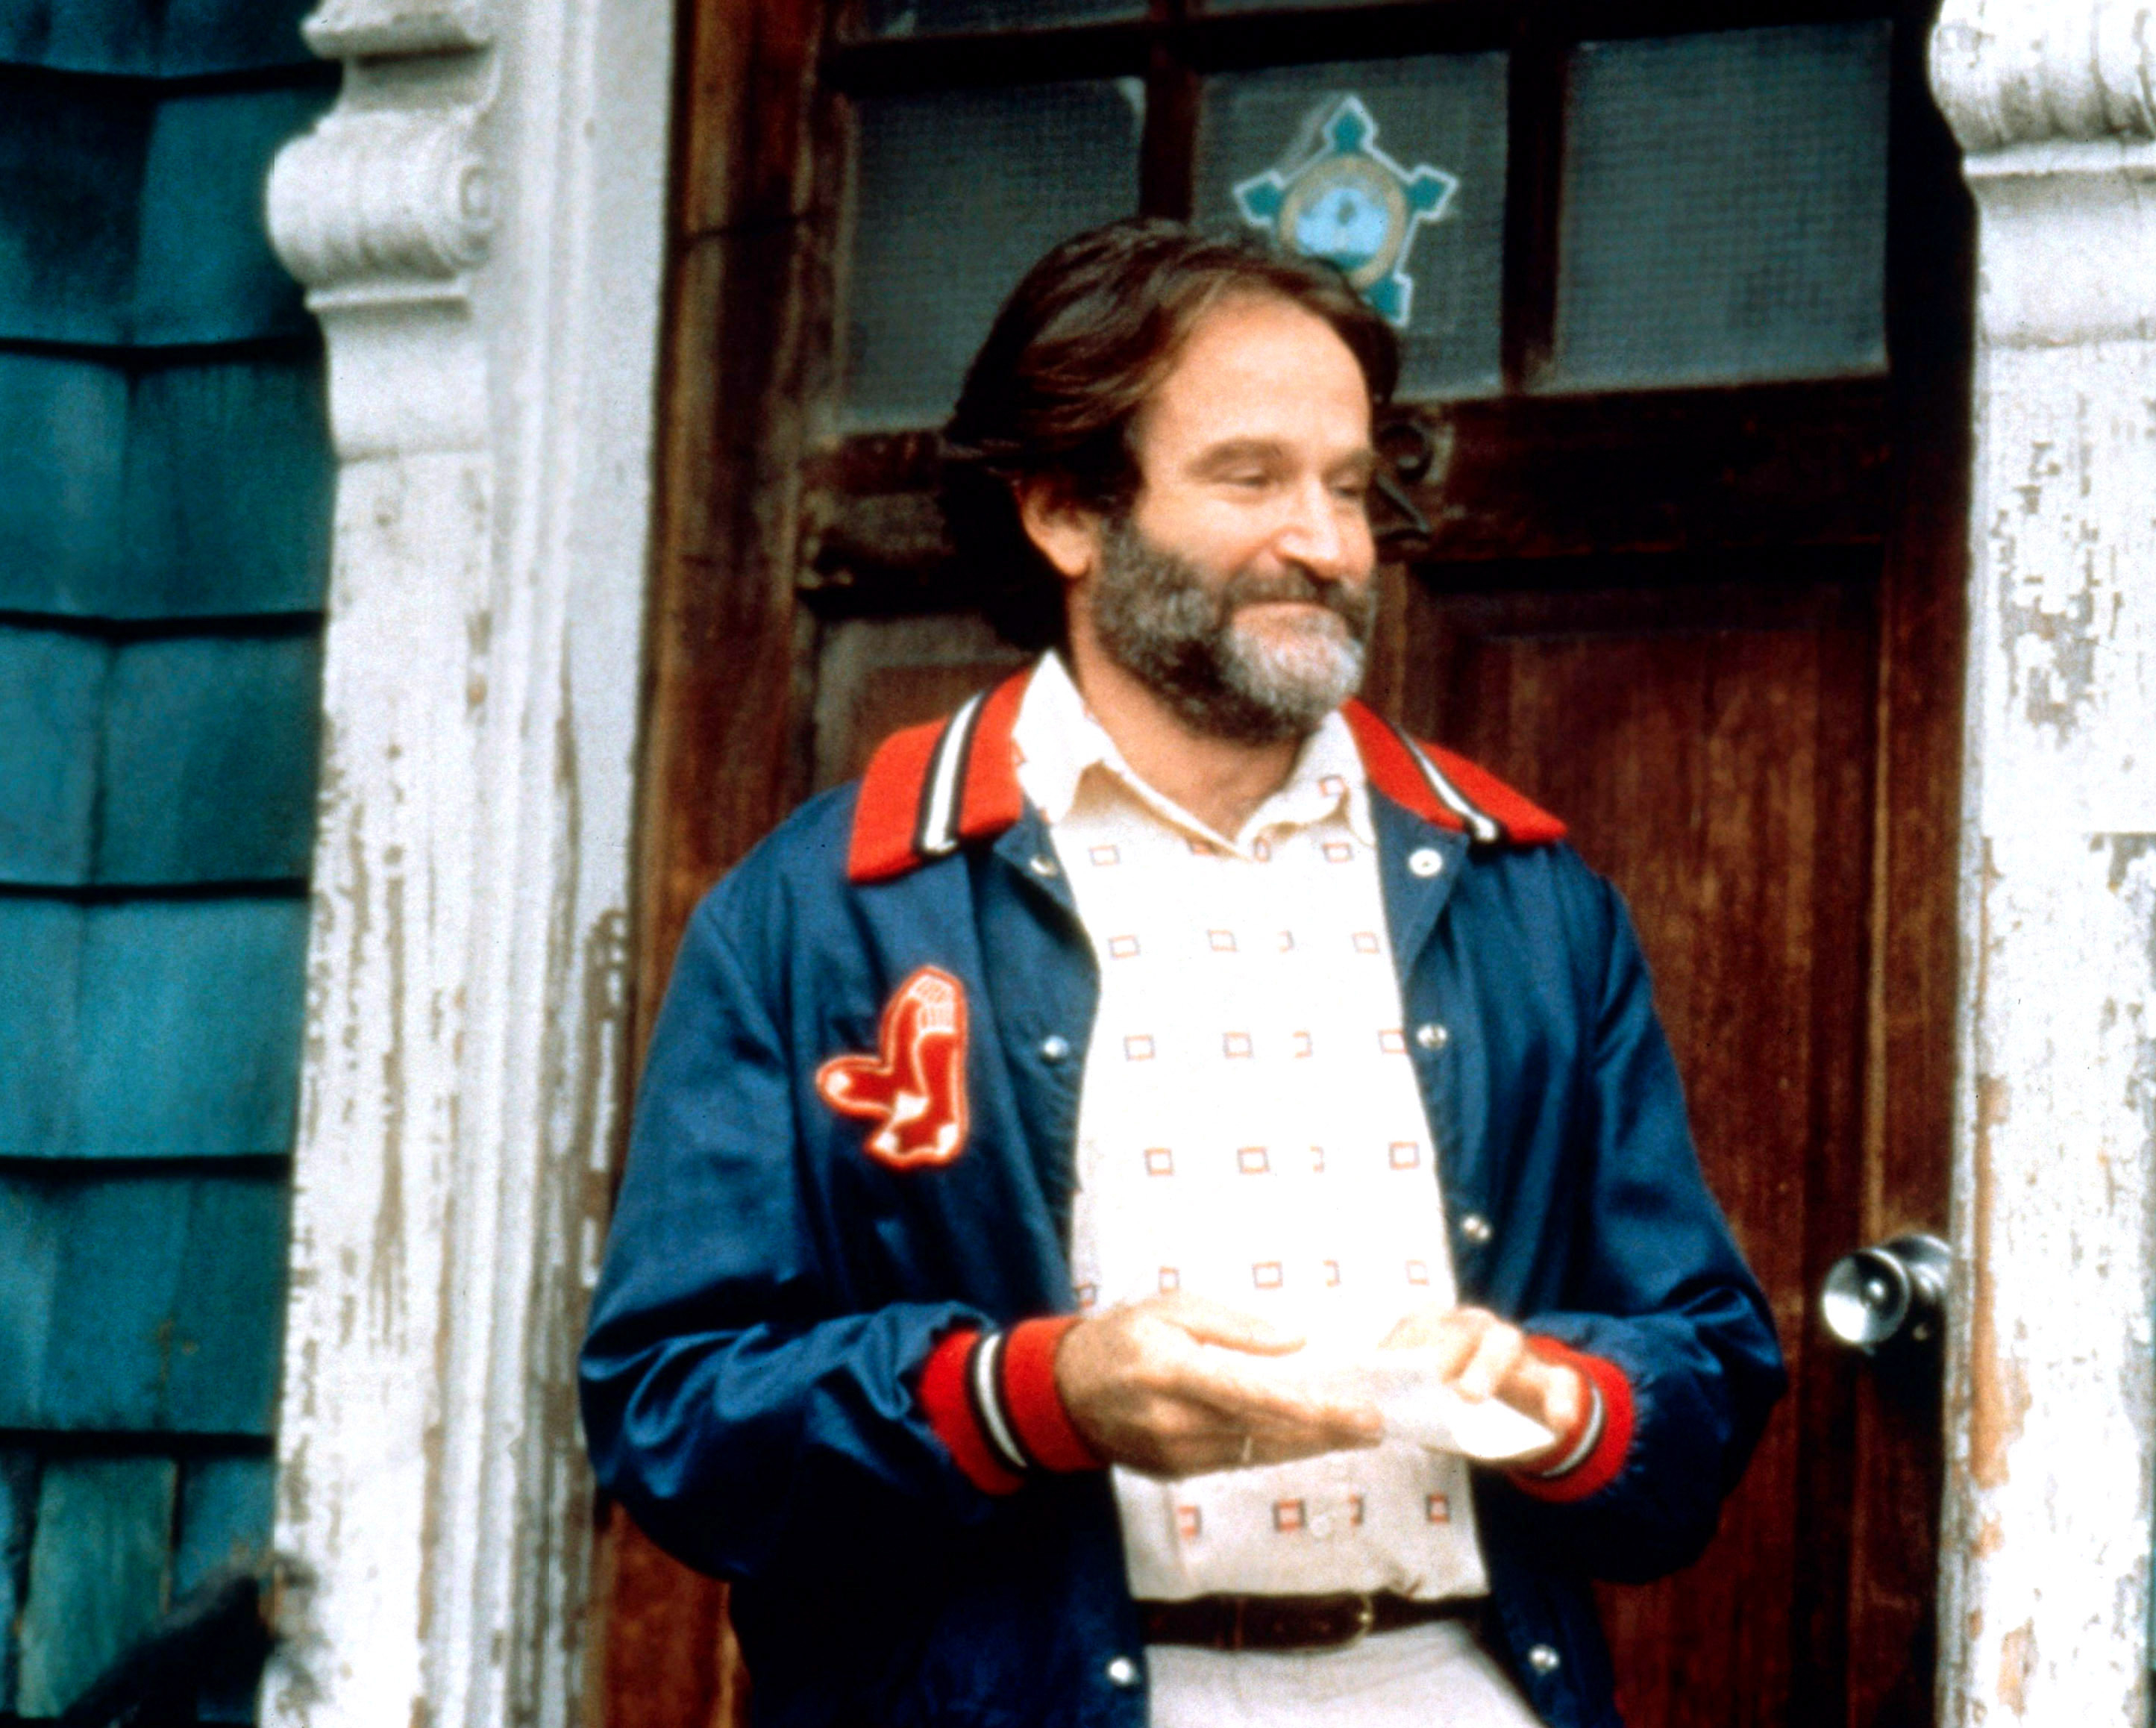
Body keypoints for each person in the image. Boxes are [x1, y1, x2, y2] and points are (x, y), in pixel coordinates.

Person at [579, 217, 1784, 1728]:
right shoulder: (826, 910)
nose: (1326, 544)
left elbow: (1705, 1373)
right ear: (1065, 513)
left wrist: (1552, 1399)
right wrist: (1042, 1395)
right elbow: (672, 1414)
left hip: (1453, 1685)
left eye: (1348, 485)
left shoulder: (1525, 897)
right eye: (1251, 478)